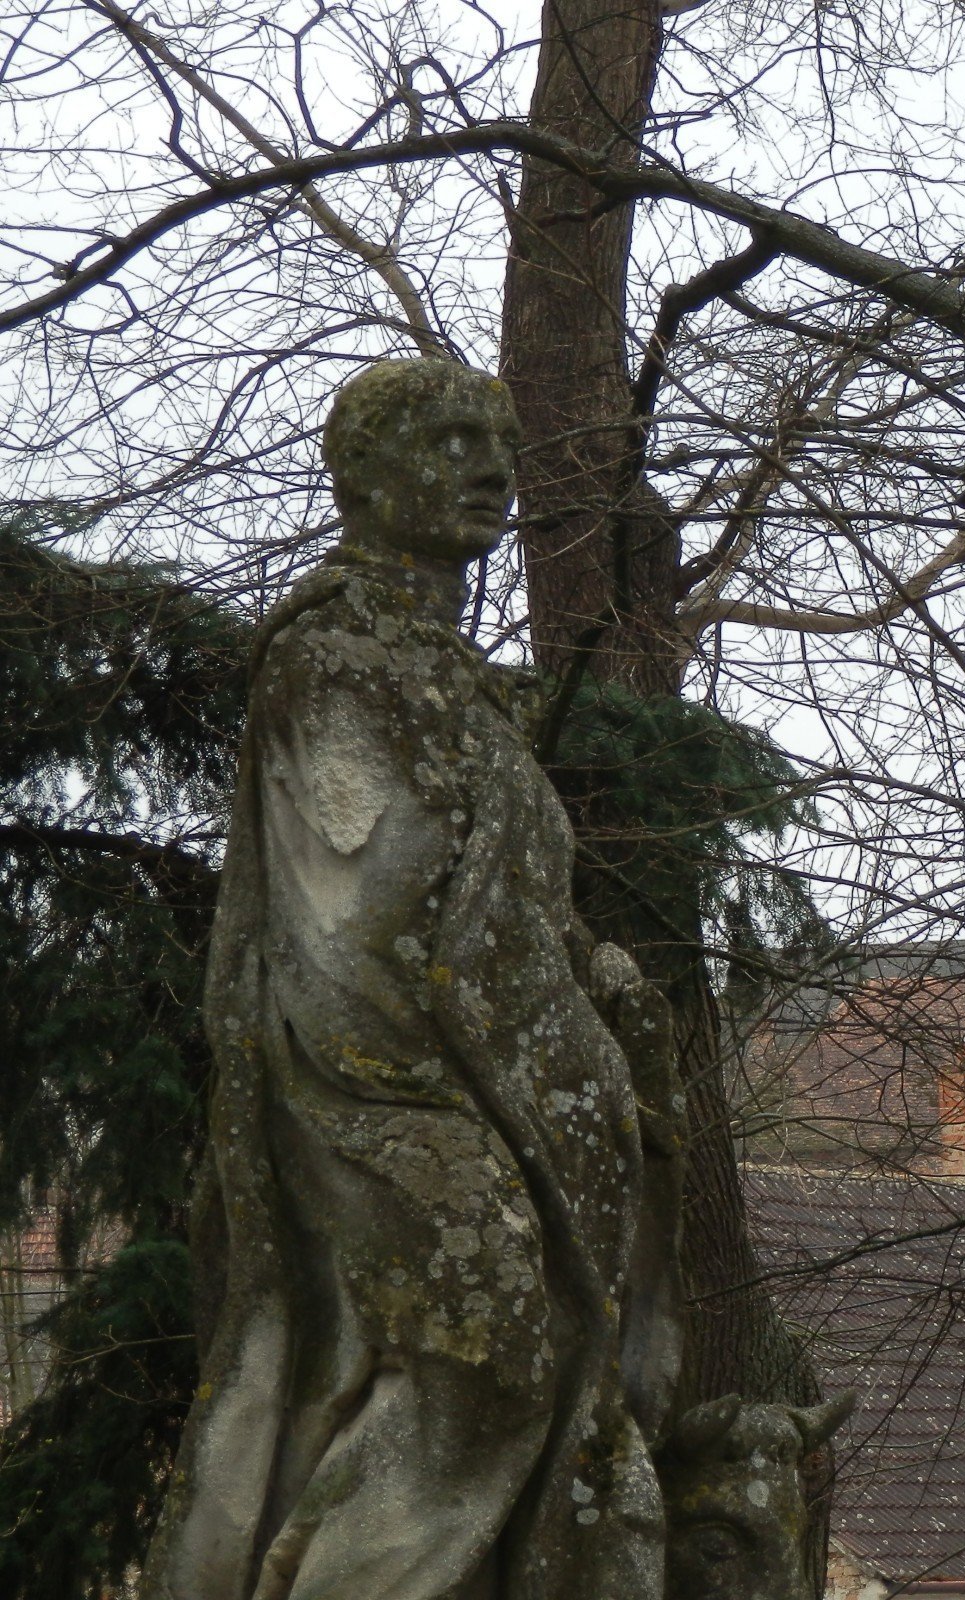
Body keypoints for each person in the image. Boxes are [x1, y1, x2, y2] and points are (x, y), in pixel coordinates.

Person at [146, 358, 680, 1599]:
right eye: (450, 441)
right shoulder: (330, 664)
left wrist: (605, 985)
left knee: (541, 1370)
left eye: (497, 442)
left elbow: (517, 906)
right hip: (378, 1082)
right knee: (481, 1359)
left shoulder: (462, 688)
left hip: (487, 1075)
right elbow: (353, 931)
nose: (489, 469)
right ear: (360, 474)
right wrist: (522, 1063)